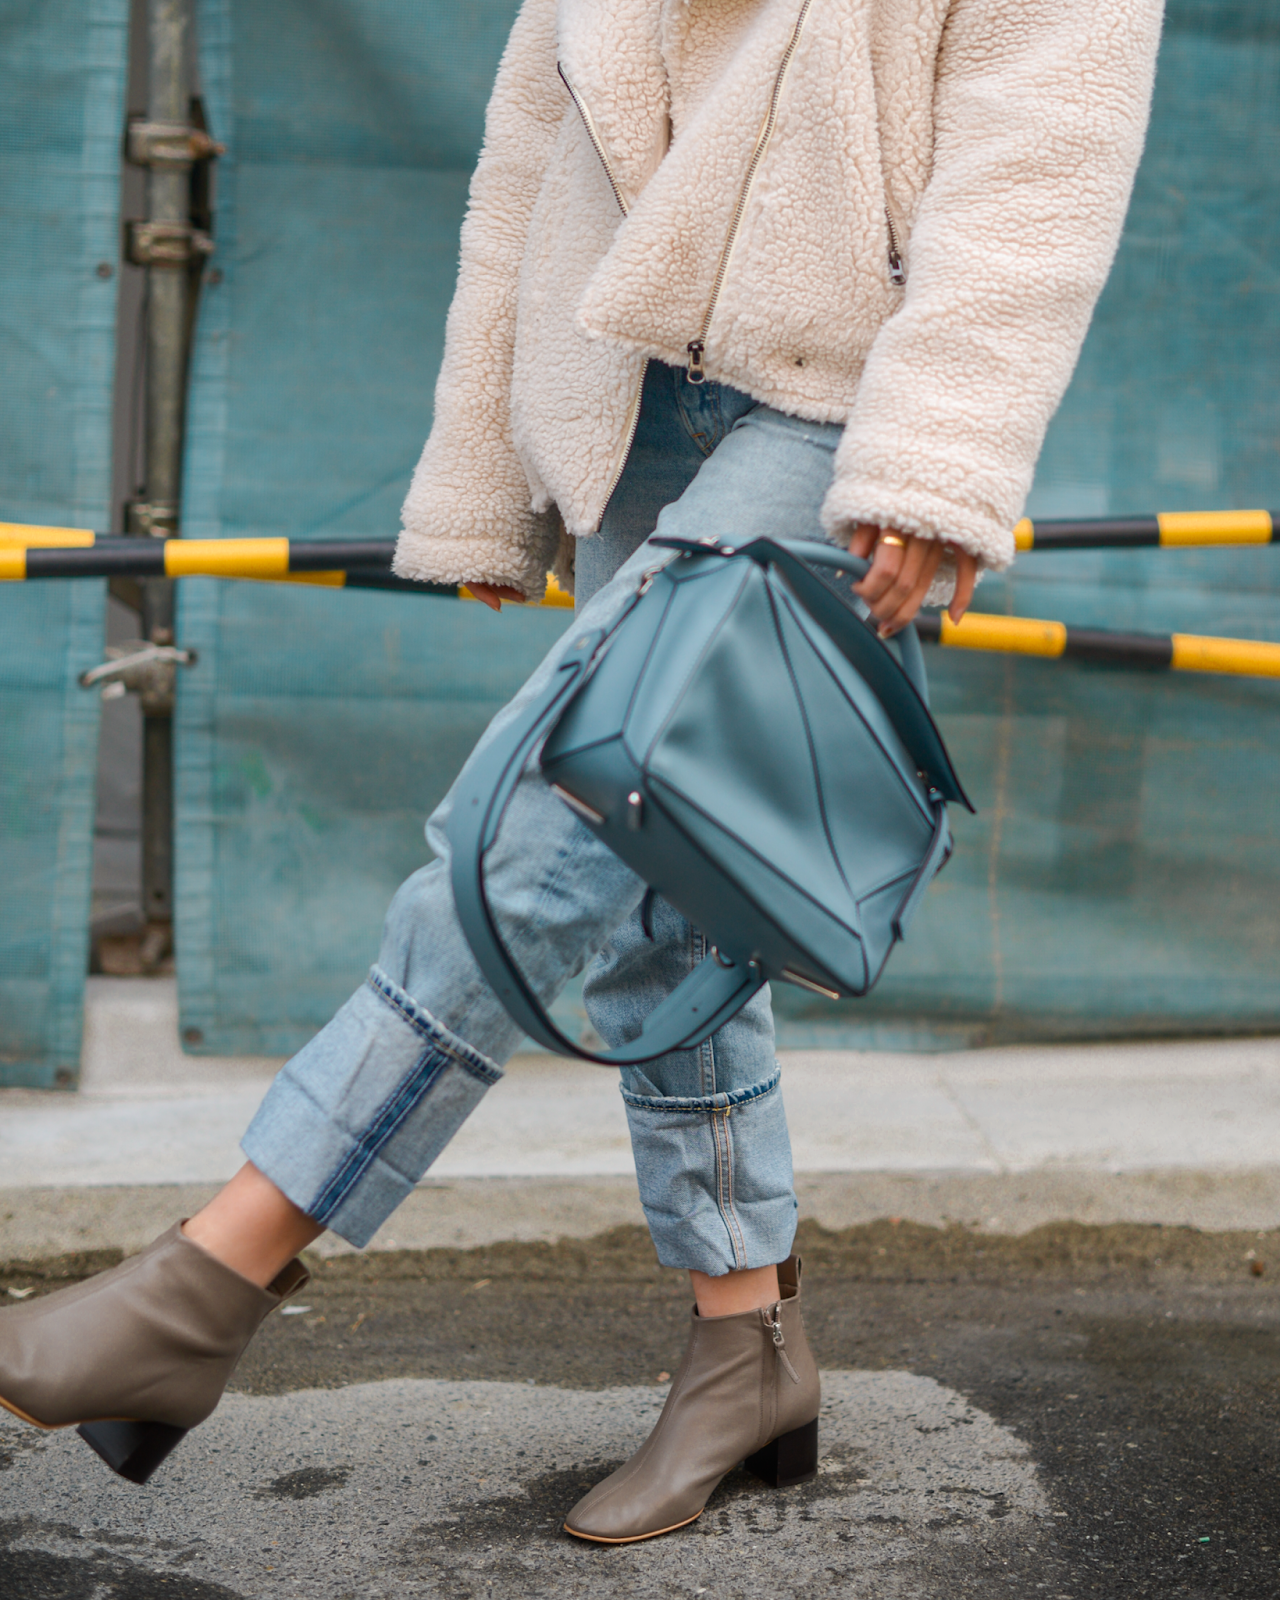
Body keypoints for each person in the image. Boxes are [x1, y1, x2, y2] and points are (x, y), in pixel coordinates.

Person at [0, 0, 1163, 1546]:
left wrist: (939, 449)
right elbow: (537, 142)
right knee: (676, 895)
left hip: (843, 402)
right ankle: (747, 1343)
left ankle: (211, 1275)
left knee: (544, 822)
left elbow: (1044, 141)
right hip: (635, 390)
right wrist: (488, 467)